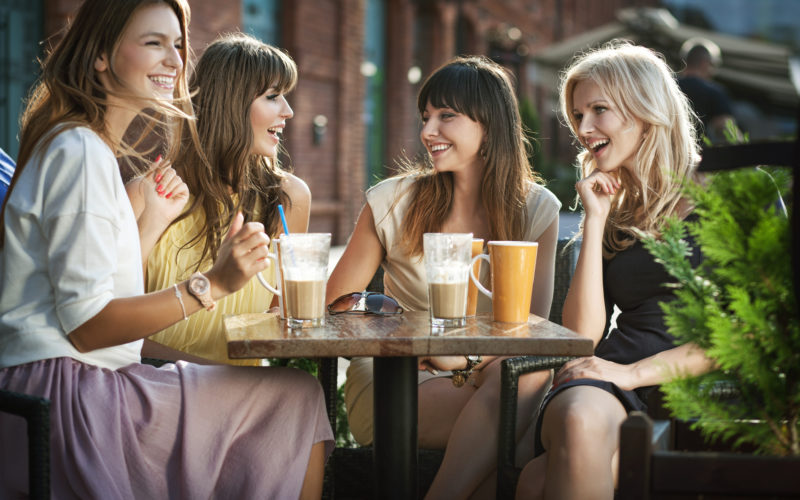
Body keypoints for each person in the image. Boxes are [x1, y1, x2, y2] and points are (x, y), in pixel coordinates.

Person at [0, 1, 332, 498]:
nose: (176, 61)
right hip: (68, 397)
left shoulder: (84, 147)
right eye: (153, 42)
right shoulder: (80, 152)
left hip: (72, 383)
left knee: (289, 397)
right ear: (102, 56)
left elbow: (94, 291)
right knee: (297, 399)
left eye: (178, 45)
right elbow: (89, 327)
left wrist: (150, 219)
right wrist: (213, 285)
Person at [327, 55, 561, 499]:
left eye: (446, 116)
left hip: (493, 374)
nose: (427, 131)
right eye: (426, 117)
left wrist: (463, 358)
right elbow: (336, 304)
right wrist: (413, 340)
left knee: (528, 377)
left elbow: (532, 327)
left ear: (489, 125)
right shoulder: (393, 200)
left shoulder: (536, 208)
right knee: (523, 424)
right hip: (398, 377)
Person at [515, 41, 713, 500]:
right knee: (580, 420)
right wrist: (597, 220)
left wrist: (633, 374)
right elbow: (582, 337)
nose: (584, 129)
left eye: (598, 110)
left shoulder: (733, 191)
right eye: (578, 115)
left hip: (679, 383)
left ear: (647, 110)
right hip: (606, 383)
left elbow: (751, 330)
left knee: (537, 483)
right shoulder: (614, 211)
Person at [137, 33, 310, 365]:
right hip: (155, 383)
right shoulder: (147, 194)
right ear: (230, 104)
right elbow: (117, 331)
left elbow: (282, 323)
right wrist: (216, 377)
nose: (288, 111)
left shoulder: (289, 198)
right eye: (273, 97)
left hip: (244, 391)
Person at [677, 37, 736, 143]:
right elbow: (726, 128)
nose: (714, 71)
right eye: (714, 65)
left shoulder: (667, 86)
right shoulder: (714, 92)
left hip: (665, 154)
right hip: (699, 155)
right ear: (705, 63)